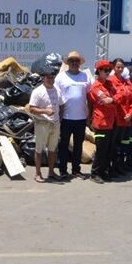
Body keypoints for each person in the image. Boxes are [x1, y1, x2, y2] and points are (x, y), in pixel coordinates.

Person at [55, 51, 92, 179]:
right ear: (68, 63)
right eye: (72, 61)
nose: (74, 63)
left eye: (77, 61)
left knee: (78, 146)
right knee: (63, 145)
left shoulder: (85, 76)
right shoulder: (60, 77)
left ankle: (76, 170)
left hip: (81, 118)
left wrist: (89, 114)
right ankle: (63, 170)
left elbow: (90, 96)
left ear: (80, 63)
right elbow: (56, 97)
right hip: (65, 118)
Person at [87, 60, 118, 183]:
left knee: (109, 149)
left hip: (111, 121)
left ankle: (104, 172)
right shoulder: (95, 87)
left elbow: (119, 97)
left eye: (109, 70)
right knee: (101, 150)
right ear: (98, 71)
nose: (107, 72)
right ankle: (95, 173)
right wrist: (113, 100)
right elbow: (106, 102)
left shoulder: (109, 84)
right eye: (105, 70)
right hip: (101, 123)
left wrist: (113, 100)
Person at [28, 71, 62, 183]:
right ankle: (38, 174)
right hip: (42, 123)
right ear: (43, 78)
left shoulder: (57, 90)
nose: (51, 80)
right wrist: (45, 111)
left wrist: (60, 119)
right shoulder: (38, 91)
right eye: (48, 78)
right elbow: (31, 109)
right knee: (39, 149)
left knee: (53, 149)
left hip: (55, 123)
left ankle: (51, 172)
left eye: (52, 77)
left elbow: (61, 105)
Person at [108, 58, 132, 174]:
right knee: (115, 144)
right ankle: (113, 167)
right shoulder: (110, 81)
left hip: (127, 118)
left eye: (122, 67)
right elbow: (113, 100)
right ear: (114, 68)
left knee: (123, 142)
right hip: (116, 118)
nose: (120, 69)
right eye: (117, 67)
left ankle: (120, 164)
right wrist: (124, 114)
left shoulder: (127, 81)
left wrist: (130, 113)